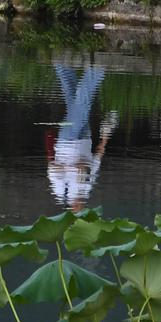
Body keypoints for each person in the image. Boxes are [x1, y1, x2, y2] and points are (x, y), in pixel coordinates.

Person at [47, 59, 115, 211]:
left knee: (83, 105)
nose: (79, 207)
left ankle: (96, 69)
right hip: (85, 138)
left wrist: (72, 168)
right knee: (72, 97)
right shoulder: (86, 191)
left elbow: (52, 168)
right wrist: (104, 138)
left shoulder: (61, 192)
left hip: (68, 141)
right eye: (82, 210)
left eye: (76, 210)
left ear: (70, 209)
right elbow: (95, 161)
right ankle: (62, 63)